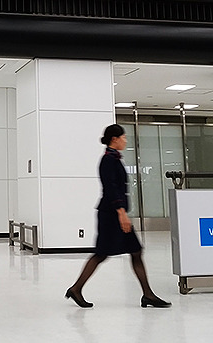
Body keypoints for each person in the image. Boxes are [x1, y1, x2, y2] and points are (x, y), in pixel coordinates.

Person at [65, 124, 171, 309]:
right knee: (102, 254)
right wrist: (121, 213)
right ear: (114, 139)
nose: (126, 140)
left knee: (135, 251)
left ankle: (148, 294)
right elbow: (111, 188)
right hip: (111, 215)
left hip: (115, 213)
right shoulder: (108, 160)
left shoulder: (113, 159)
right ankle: (76, 289)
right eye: (124, 137)